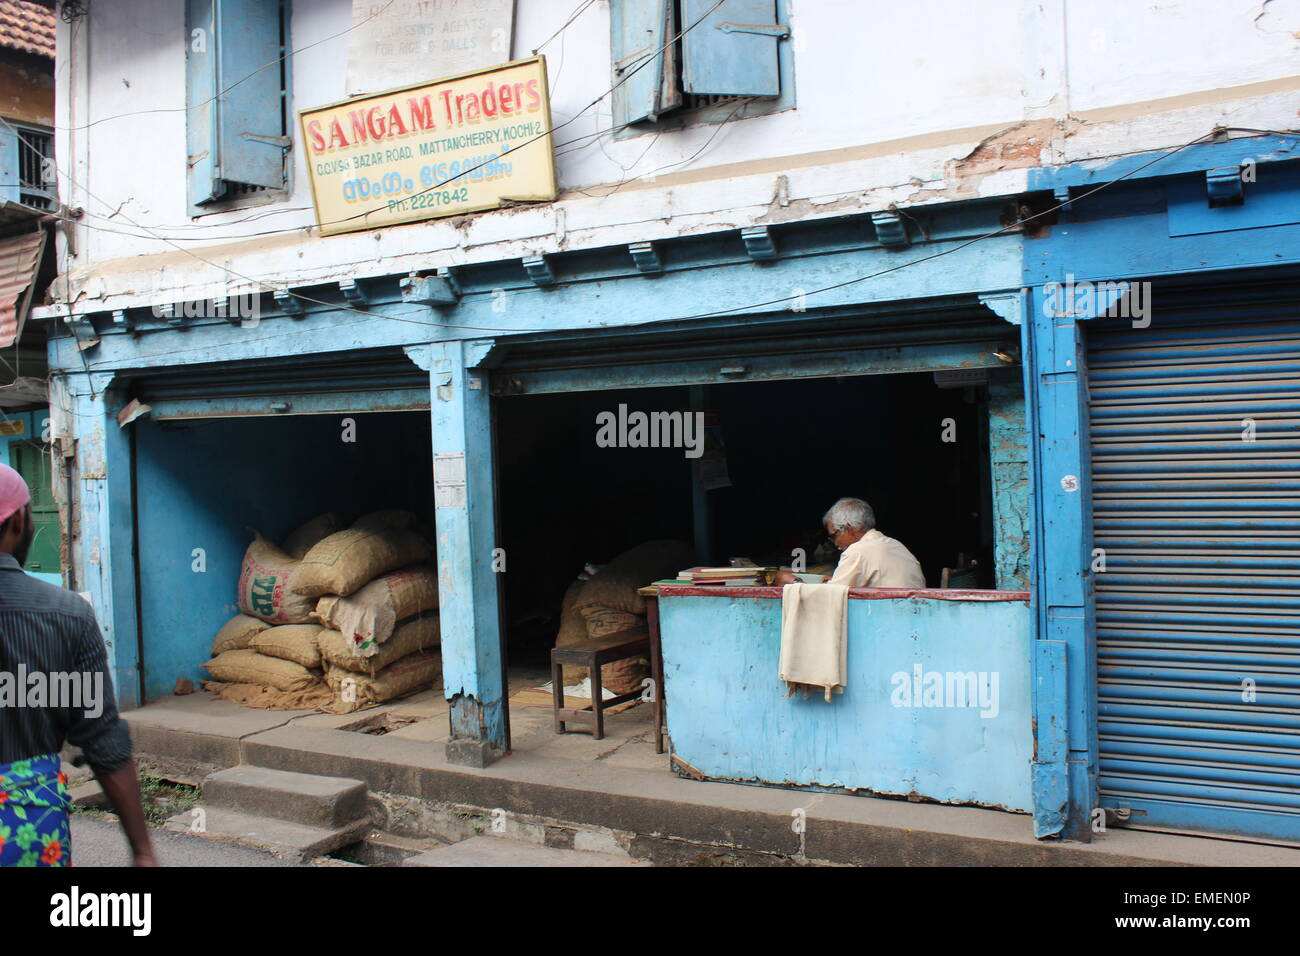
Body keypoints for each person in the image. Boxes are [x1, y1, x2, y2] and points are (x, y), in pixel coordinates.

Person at [0, 463, 156, 866]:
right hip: (27, 833)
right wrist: (141, 850)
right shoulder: (66, 615)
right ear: (18, 520)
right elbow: (103, 739)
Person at [774, 497, 926, 589]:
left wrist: (794, 583)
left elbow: (831, 599)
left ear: (848, 529)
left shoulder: (858, 550)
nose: (834, 544)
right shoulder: (895, 545)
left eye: (833, 536)